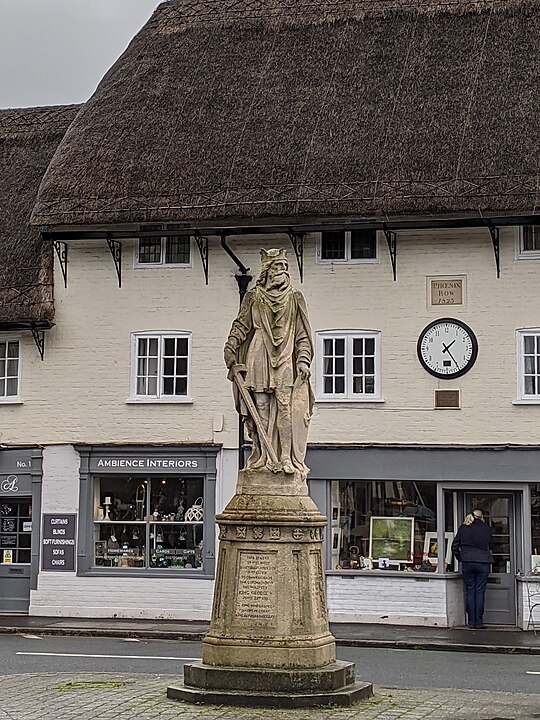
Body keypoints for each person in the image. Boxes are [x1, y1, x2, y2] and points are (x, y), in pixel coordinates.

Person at [224, 248, 314, 478]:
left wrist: (303, 360)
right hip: (259, 352)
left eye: (284, 267)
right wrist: (231, 346)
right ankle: (264, 454)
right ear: (267, 271)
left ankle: (284, 456)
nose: (282, 271)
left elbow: (303, 335)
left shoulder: (295, 298)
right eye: (277, 267)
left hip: (284, 356)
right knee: (261, 406)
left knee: (285, 404)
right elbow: (241, 326)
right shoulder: (253, 297)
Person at [451, 509, 493, 629]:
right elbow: (492, 545)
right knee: (480, 591)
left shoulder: (463, 528)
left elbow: (454, 546)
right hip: (483, 562)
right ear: (481, 517)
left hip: (468, 562)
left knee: (470, 591)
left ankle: (471, 622)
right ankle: (479, 622)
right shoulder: (487, 529)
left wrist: (461, 557)